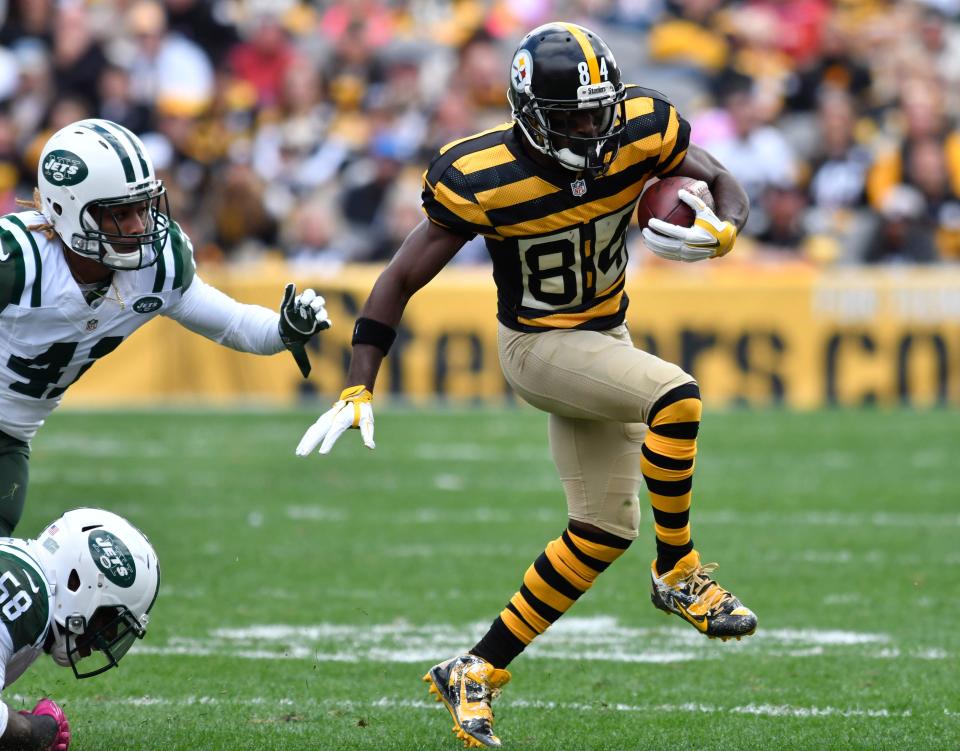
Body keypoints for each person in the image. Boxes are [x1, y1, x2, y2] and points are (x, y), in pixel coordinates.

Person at [296, 22, 756, 748]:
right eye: (573, 115)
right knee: (677, 397)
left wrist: (728, 223)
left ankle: (473, 668)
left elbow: (715, 173)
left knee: (603, 528)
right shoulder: (481, 173)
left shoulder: (639, 123)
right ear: (530, 114)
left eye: (599, 108)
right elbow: (399, 277)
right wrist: (359, 382)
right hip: (538, 346)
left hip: (605, 335)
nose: (592, 125)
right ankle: (680, 572)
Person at [0, 118, 332, 536]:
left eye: (143, 207)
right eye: (120, 214)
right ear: (67, 210)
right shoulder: (17, 261)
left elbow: (230, 323)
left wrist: (283, 331)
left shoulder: (158, 267)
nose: (140, 226)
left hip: (11, 436)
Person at [0, 506, 160, 751]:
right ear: (76, 582)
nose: (105, 638)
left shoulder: (16, 557)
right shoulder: (27, 600)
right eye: (107, 620)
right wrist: (32, 731)